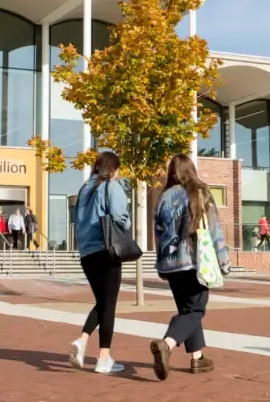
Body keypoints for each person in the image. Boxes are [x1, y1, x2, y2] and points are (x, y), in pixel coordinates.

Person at [149, 153, 230, 382]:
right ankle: (167, 343)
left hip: (171, 263)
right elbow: (214, 230)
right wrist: (223, 261)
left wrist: (161, 264)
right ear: (191, 169)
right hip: (195, 262)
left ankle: (197, 358)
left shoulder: (164, 197)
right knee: (196, 310)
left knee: (188, 311)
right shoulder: (200, 192)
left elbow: (158, 233)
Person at [68, 151, 130, 375]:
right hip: (107, 250)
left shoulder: (85, 189)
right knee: (109, 303)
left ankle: (83, 340)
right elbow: (120, 217)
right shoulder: (111, 186)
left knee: (102, 301)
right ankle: (103, 357)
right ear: (113, 169)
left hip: (86, 253)